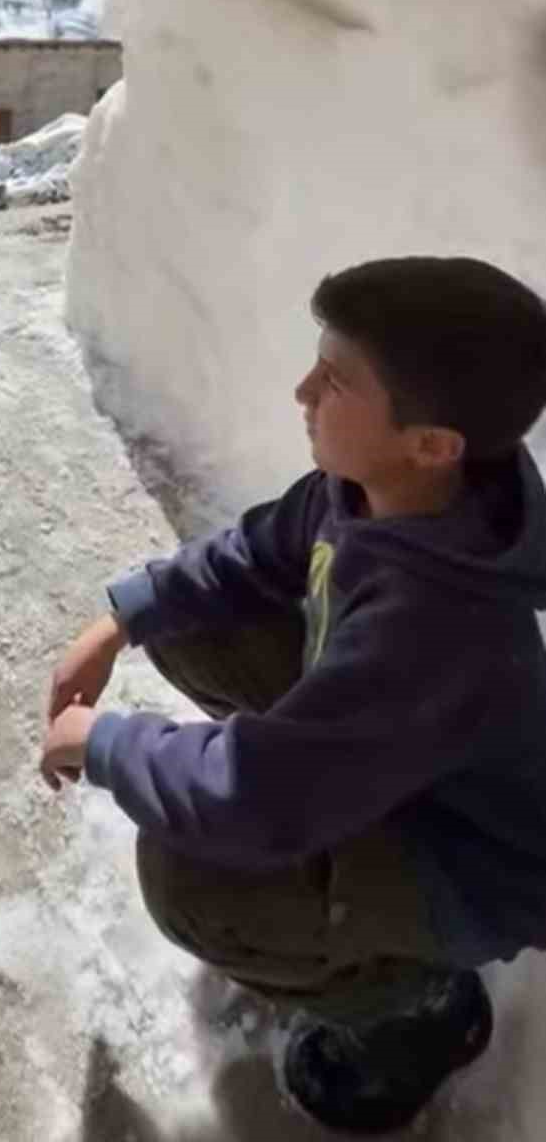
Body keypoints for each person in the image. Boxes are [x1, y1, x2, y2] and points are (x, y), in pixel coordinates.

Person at [40, 256, 546, 1134]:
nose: (301, 389)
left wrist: (104, 742)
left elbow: (255, 799)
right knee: (195, 621)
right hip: (383, 764)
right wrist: (119, 619)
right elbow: (251, 551)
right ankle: (333, 859)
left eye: (335, 380)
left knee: (194, 871)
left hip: (461, 864)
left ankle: (417, 1015)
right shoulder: (375, 491)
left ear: (431, 443)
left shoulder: (432, 626)